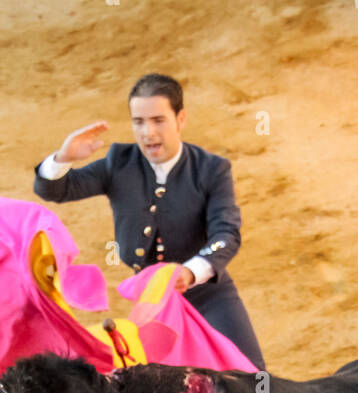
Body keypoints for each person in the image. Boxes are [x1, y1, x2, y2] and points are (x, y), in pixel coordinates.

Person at [32, 72, 267, 370]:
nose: (148, 133)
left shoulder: (211, 170)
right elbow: (56, 190)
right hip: (153, 304)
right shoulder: (120, 162)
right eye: (139, 122)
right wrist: (63, 158)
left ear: (180, 119)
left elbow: (226, 234)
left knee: (254, 377)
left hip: (208, 295)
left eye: (158, 120)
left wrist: (190, 272)